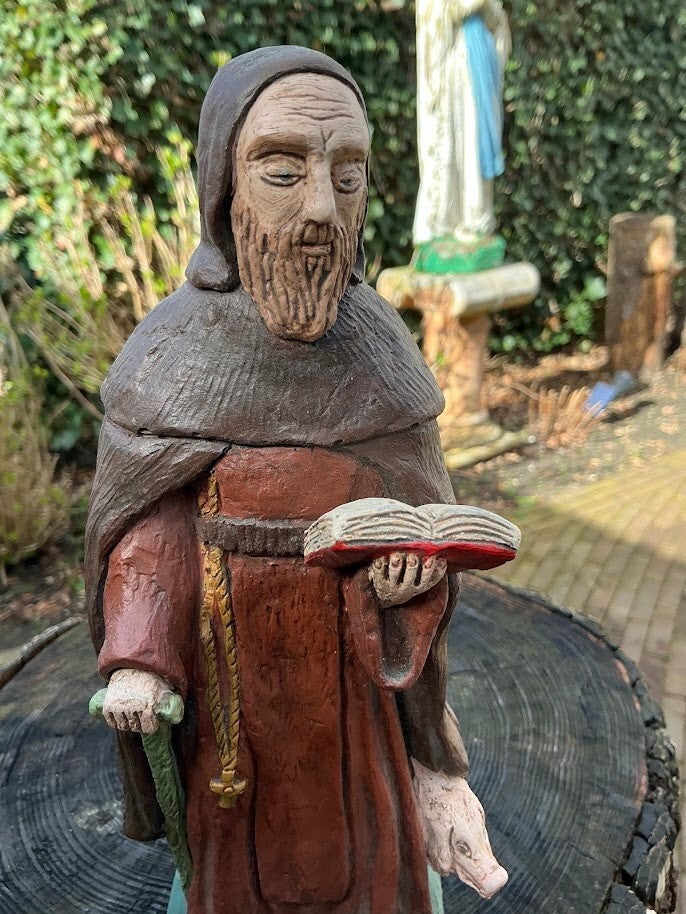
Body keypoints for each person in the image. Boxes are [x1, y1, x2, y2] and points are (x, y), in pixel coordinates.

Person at [86, 46, 507, 914]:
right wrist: (140, 659)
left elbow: (419, 522)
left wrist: (406, 588)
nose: (321, 208)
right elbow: (149, 540)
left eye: (347, 176)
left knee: (368, 860)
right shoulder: (170, 357)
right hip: (231, 700)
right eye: (282, 171)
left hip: (352, 695)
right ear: (224, 186)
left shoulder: (382, 352)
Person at [413, 0, 511, 246]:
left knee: (475, 142)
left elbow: (497, 21)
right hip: (453, 65)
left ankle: (475, 216)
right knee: (453, 142)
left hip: (480, 61)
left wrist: (489, 9)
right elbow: (434, 16)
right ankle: (444, 222)